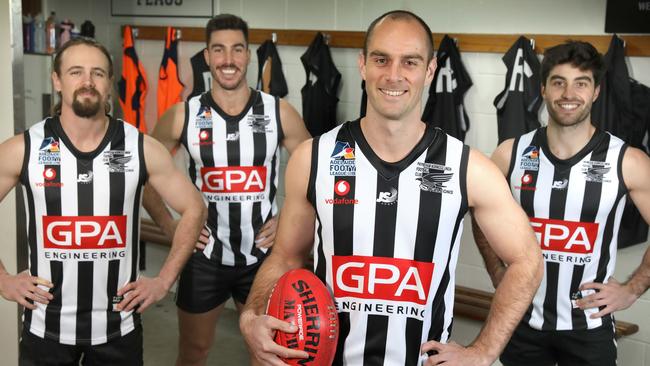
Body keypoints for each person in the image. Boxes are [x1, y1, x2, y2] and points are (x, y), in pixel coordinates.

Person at [239, 10, 543, 366]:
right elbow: (285, 257)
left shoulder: (468, 167)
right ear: (363, 64)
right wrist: (250, 315)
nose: (394, 74)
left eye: (410, 62)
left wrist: (484, 351)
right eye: (382, 59)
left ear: (430, 71)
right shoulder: (314, 158)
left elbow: (527, 261)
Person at [0, 37, 206, 365]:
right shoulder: (24, 148)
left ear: (110, 83)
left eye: (97, 73)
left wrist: (164, 280)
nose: (87, 82)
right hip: (45, 331)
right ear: (57, 80)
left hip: (117, 331)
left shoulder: (140, 147)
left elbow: (195, 207)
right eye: (75, 72)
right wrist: (3, 279)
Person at [141, 14, 310, 366]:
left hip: (263, 257)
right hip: (204, 258)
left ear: (249, 55)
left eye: (236, 50)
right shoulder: (183, 115)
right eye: (219, 50)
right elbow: (142, 175)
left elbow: (318, 172)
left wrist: (289, 220)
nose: (228, 60)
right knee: (194, 351)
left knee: (265, 354)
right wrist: (171, 228)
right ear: (207, 56)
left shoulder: (279, 112)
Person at [472, 40, 650, 366]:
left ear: (596, 91)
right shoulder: (510, 154)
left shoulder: (627, 160)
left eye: (581, 83)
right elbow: (479, 214)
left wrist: (631, 289)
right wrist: (497, 271)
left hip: (588, 326)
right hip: (521, 320)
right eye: (558, 82)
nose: (569, 94)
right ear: (543, 89)